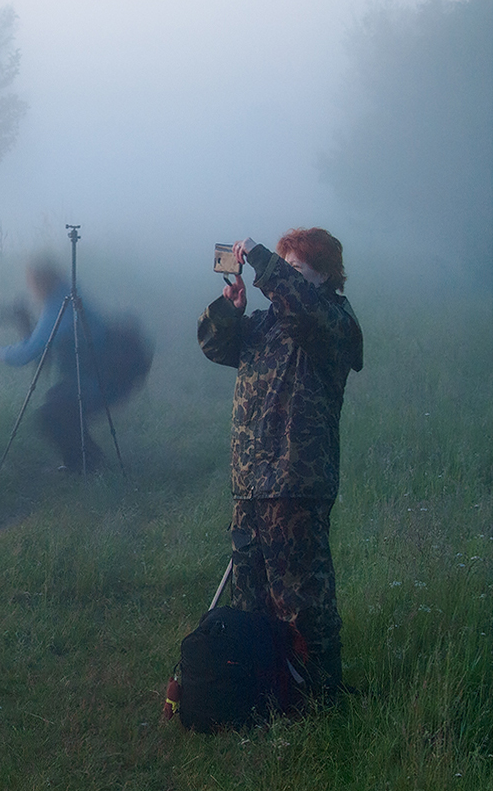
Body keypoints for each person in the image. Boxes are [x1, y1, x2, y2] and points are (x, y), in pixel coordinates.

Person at [197, 228, 363, 699]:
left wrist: (268, 264)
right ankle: (258, 689)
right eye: (283, 264)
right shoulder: (265, 325)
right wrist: (230, 311)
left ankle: (318, 695)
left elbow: (305, 311)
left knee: (302, 601)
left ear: (325, 274)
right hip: (249, 483)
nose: (284, 274)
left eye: (296, 267)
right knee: (251, 598)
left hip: (296, 482)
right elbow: (214, 346)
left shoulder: (334, 320)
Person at [0, 256, 150, 473]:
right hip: (105, 374)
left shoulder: (60, 303)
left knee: (52, 413)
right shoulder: (68, 291)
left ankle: (87, 466)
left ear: (40, 280)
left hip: (101, 381)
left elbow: (31, 352)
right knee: (58, 402)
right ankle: (86, 462)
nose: (30, 287)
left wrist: (0, 351)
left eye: (31, 281)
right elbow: (46, 344)